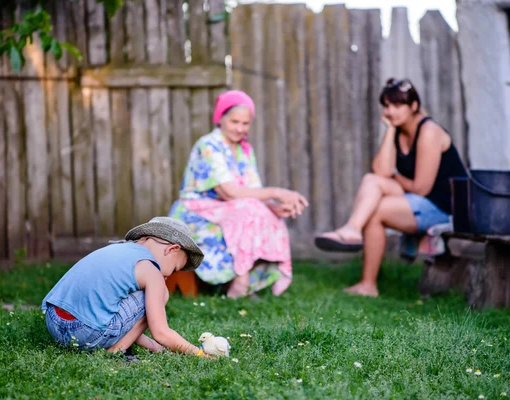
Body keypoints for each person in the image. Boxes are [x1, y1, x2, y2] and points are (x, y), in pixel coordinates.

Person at [315, 78, 467, 297]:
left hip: (444, 208)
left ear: (414, 106)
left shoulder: (428, 131)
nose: (390, 111)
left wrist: (394, 176)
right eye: (386, 106)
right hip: (419, 200)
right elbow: (379, 171)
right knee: (370, 181)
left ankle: (367, 281)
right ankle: (353, 232)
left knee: (375, 210)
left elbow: (421, 188)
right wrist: (389, 131)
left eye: (397, 106)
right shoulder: (398, 131)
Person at [168, 90, 309, 299]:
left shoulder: (244, 150)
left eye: (245, 123)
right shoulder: (208, 145)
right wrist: (278, 192)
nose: (240, 128)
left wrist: (274, 206)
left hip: (228, 208)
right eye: (235, 122)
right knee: (248, 210)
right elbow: (229, 192)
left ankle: (248, 278)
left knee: (264, 213)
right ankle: (240, 279)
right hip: (195, 212)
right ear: (220, 118)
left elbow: (253, 190)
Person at [41, 217, 210, 359]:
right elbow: (161, 332)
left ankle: (119, 345)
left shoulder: (117, 249)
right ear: (172, 249)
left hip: (53, 322)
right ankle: (117, 350)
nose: (169, 276)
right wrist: (200, 354)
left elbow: (126, 322)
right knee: (161, 293)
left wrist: (154, 347)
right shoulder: (150, 270)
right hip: (86, 333)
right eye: (174, 269)